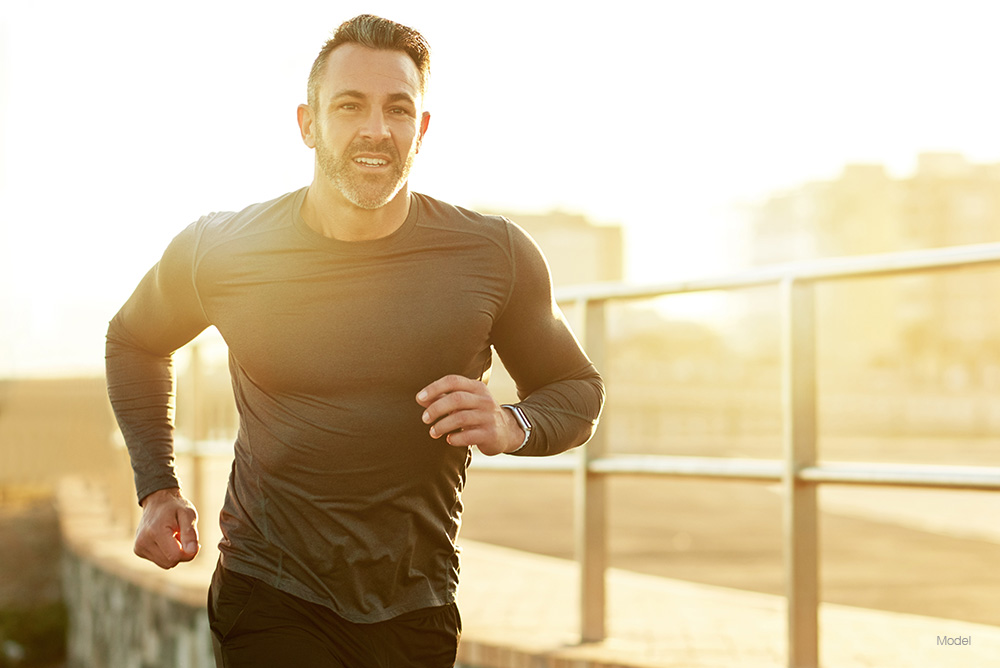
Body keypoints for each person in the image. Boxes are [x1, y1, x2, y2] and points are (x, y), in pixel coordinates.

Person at [106, 14, 604, 668]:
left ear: (421, 130)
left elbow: (577, 392)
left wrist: (513, 423)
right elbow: (134, 339)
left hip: (415, 603)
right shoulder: (223, 249)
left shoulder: (492, 254)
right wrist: (157, 487)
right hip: (270, 589)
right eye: (349, 107)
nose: (376, 129)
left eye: (399, 109)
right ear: (308, 124)